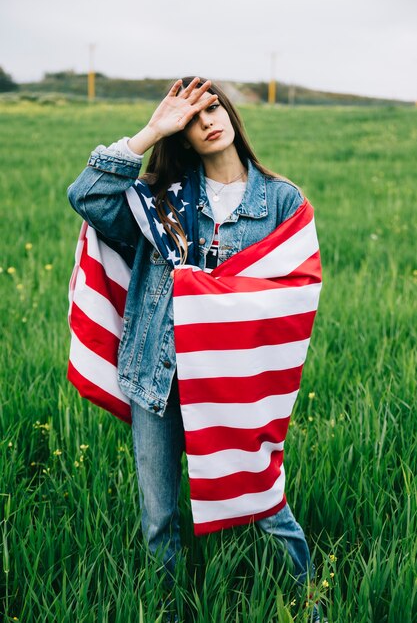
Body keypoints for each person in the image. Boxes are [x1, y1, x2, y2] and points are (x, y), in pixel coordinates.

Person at [67, 76, 323, 621]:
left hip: (233, 384)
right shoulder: (158, 202)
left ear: (231, 114)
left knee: (265, 503)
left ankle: (308, 605)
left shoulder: (282, 200)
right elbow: (86, 195)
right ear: (181, 137)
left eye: (213, 107)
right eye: (191, 118)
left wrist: (214, 299)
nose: (207, 119)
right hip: (157, 377)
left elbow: (296, 289)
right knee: (159, 517)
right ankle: (169, 611)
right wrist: (149, 132)